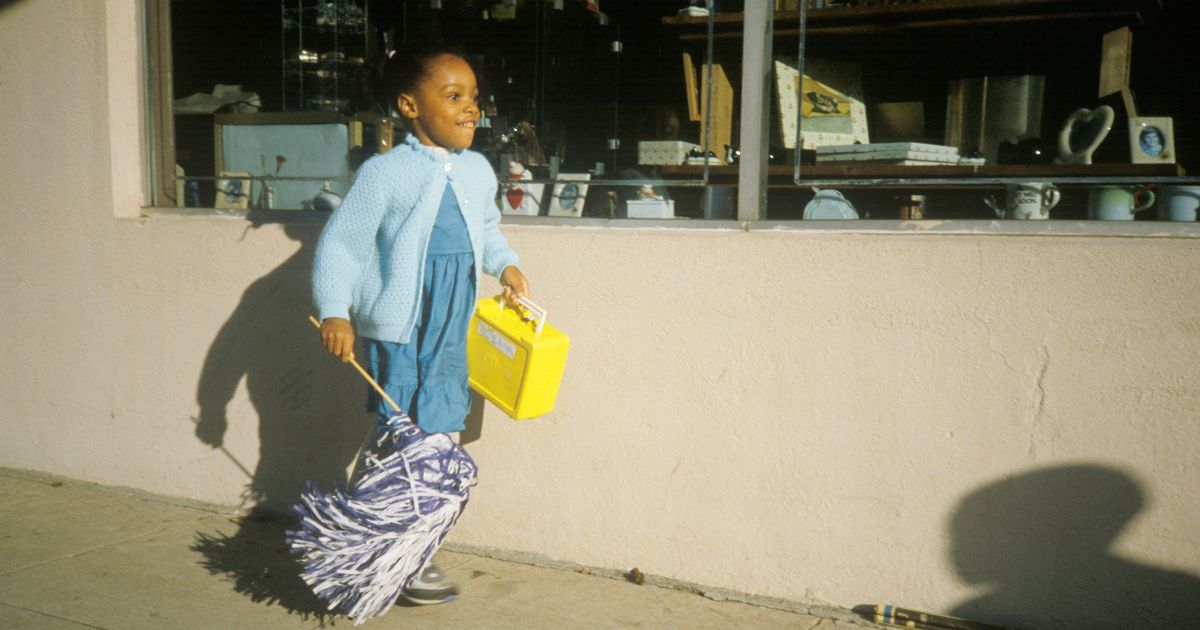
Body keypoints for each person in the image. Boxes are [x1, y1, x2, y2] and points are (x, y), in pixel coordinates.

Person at [311, 42, 530, 606]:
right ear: (410, 104)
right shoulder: (386, 173)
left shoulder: (479, 170)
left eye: (474, 97)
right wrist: (335, 310)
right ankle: (383, 547)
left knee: (439, 432)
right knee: (403, 435)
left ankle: (408, 549)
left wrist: (506, 266)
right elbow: (343, 246)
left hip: (452, 330)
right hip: (400, 329)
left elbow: (488, 229)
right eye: (453, 95)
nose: (469, 108)